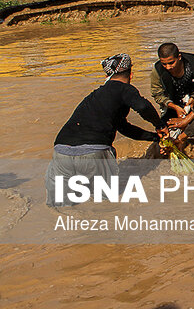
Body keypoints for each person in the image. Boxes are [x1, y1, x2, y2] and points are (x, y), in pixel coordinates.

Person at [46, 54, 165, 206]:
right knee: (104, 205)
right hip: (93, 150)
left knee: (61, 205)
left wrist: (154, 137)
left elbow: (124, 128)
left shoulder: (96, 96)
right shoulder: (124, 89)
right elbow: (143, 106)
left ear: (107, 75)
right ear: (131, 73)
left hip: (62, 150)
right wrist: (160, 125)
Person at [150, 43, 194, 123]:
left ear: (179, 57)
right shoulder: (158, 70)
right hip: (172, 104)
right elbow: (157, 94)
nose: (168, 67)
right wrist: (174, 106)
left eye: (171, 63)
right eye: (164, 64)